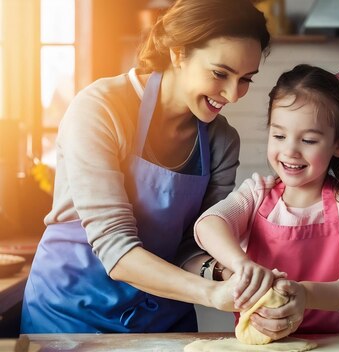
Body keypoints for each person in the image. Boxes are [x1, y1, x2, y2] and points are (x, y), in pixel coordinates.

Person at [21, 0, 290, 334]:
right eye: (220, 74)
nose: (234, 95)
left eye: (246, 79)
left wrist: (233, 275)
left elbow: (191, 247)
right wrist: (212, 293)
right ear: (178, 53)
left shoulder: (222, 141)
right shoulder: (100, 109)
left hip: (161, 319)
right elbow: (115, 248)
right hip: (70, 315)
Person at [194, 64, 339, 336]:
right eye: (279, 135)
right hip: (267, 344)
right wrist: (241, 264)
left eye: (309, 140)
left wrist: (305, 294)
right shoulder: (256, 193)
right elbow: (208, 224)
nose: (290, 150)